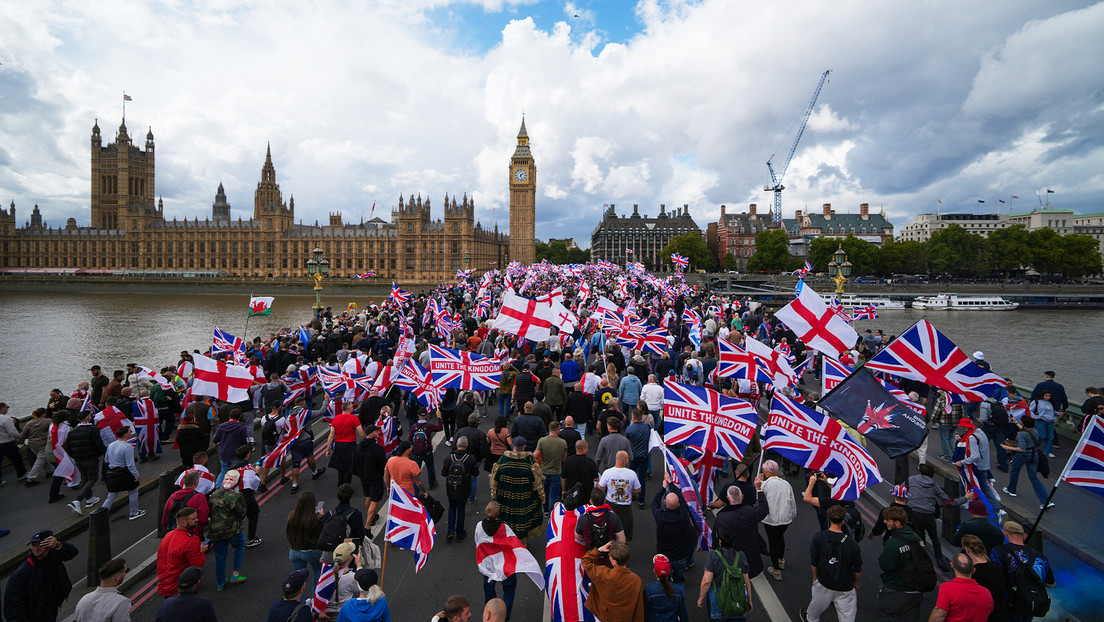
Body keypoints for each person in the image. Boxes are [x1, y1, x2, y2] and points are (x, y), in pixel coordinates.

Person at [799, 505, 861, 622]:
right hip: (846, 585)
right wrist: (856, 583)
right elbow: (857, 569)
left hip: (825, 581)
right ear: (843, 521)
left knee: (816, 607)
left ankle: (810, 619)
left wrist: (815, 577)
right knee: (847, 615)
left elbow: (814, 561)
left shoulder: (819, 537)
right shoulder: (852, 544)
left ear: (829, 518)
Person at [4, 530, 78, 622]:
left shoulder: (53, 556)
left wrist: (58, 545)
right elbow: (13, 609)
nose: (36, 548)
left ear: (49, 545)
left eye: (40, 544)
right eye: (33, 545)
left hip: (50, 609)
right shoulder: (21, 574)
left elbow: (73, 552)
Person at [990, 522, 1054, 622]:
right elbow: (1050, 583)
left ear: (1004, 533)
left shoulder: (998, 551)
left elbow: (995, 579)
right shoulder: (1040, 557)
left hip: (1010, 605)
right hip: (1031, 603)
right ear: (1024, 536)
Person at [712, 475, 768, 579]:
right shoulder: (751, 512)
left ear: (728, 499)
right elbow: (764, 508)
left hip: (731, 559)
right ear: (742, 496)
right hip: (751, 557)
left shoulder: (721, 518)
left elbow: (715, 539)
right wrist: (759, 489)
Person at [490, 436, 545, 541]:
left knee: (506, 520)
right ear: (524, 446)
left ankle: (507, 540)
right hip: (524, 498)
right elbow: (537, 484)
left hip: (505, 498)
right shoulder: (529, 461)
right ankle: (521, 543)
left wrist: (494, 496)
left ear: (513, 446)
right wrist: (542, 497)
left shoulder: (503, 460)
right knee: (522, 522)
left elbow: (494, 482)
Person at [875, 506, 925, 622]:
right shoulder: (917, 539)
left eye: (887, 520)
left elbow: (886, 566)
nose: (884, 522)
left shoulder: (893, 543)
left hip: (897, 589)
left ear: (897, 523)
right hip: (916, 591)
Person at [581, 541, 645, 622]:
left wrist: (598, 550)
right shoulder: (636, 580)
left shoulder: (603, 574)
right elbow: (639, 608)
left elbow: (586, 561)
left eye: (610, 556)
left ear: (614, 561)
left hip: (603, 617)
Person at [697, 527, 752, 621]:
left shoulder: (713, 556)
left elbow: (707, 581)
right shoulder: (741, 556)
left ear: (720, 542)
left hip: (718, 601)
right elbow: (746, 582)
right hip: (738, 602)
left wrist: (701, 598)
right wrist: (749, 600)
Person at [207, 471, 248, 591]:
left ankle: (220, 583)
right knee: (240, 545)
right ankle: (235, 574)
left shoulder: (214, 494)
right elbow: (242, 513)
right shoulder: (237, 495)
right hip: (232, 530)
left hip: (215, 531)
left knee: (220, 556)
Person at [1002, 415, 1052, 509]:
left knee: (1015, 471)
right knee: (1034, 478)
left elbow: (1021, 448)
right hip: (1034, 455)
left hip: (1022, 456)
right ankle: (1046, 500)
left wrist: (1007, 447)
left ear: (1024, 423)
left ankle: (1011, 489)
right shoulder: (1035, 431)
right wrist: (1016, 422)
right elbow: (1026, 431)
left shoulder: (1021, 434)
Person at [157, 508, 209, 597]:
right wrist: (201, 551)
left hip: (165, 584)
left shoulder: (168, 535)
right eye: (193, 519)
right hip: (181, 586)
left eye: (196, 517)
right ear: (183, 523)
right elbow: (197, 564)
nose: (197, 520)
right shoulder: (191, 540)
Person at [651, 475, 693, 585]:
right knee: (679, 580)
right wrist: (671, 483)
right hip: (680, 556)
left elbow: (654, 502)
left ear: (665, 503)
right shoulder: (683, 515)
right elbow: (682, 498)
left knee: (664, 582)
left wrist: (663, 488)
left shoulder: (660, 516)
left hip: (664, 557)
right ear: (678, 505)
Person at [928, 553, 994, 622]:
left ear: (952, 565)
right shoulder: (987, 593)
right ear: (973, 570)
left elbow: (938, 615)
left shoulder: (947, 588)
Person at [760, 460, 796, 581]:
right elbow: (792, 501)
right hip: (785, 518)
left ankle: (776, 570)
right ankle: (781, 560)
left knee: (773, 541)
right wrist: (793, 516)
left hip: (771, 519)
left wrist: (758, 485)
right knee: (780, 537)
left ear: (767, 472)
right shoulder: (786, 484)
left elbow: (759, 499)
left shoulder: (765, 485)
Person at [64, 409, 106, 515]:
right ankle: (77, 500)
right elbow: (99, 445)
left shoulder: (72, 432)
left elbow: (67, 447)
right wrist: (104, 454)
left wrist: (75, 456)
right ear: (89, 418)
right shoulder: (93, 429)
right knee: (93, 478)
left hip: (78, 459)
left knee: (85, 478)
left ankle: (89, 499)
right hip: (90, 458)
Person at [100, 426, 147, 520]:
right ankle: (133, 512)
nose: (131, 433)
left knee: (111, 496)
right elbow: (130, 464)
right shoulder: (128, 447)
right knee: (133, 491)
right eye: (130, 431)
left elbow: (106, 460)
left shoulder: (111, 445)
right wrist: (136, 474)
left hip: (112, 473)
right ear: (126, 434)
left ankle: (100, 516)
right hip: (124, 473)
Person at [286, 490, 325, 602]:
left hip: (295, 551)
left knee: (298, 579)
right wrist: (321, 517)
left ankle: (300, 604)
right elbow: (321, 532)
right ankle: (316, 601)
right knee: (318, 571)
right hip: (311, 551)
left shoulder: (291, 516)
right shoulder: (313, 519)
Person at [286, 395, 329, 493]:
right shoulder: (306, 413)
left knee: (296, 464)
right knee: (310, 457)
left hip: (295, 442)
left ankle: (294, 484)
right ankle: (314, 473)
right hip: (305, 440)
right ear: (302, 403)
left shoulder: (289, 416)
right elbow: (322, 411)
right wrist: (325, 400)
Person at [959, 534, 1007, 622]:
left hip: (986, 616)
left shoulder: (974, 572)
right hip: (1000, 613)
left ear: (967, 549)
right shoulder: (995, 566)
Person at [441, 436, 479, 542]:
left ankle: (450, 530)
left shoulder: (450, 457)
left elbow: (443, 473)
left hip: (451, 487)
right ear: (466, 446)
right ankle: (460, 533)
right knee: (461, 509)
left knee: (452, 507)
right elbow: (476, 473)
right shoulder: (470, 458)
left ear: (457, 445)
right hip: (463, 487)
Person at [598, 450, 641, 541]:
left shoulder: (607, 473)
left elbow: (600, 486)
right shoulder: (631, 474)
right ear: (624, 460)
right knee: (623, 534)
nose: (628, 460)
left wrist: (609, 489)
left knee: (609, 531)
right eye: (628, 458)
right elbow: (638, 489)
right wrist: (629, 490)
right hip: (625, 508)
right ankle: (621, 552)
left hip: (610, 506)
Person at [74, 557, 131, 622]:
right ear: (117, 577)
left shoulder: (83, 600)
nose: (126, 573)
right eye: (126, 571)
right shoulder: (121, 602)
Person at [354, 425, 388, 530]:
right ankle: (368, 524)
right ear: (371, 434)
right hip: (375, 477)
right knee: (375, 500)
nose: (378, 432)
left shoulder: (359, 446)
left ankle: (372, 516)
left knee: (368, 497)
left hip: (364, 477)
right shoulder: (377, 449)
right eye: (376, 431)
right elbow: (384, 465)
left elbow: (355, 462)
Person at [534, 420, 568, 513]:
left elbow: (536, 455)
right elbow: (564, 458)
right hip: (556, 472)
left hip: (544, 471)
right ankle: (553, 514)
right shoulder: (563, 442)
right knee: (554, 495)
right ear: (557, 430)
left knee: (544, 493)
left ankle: (545, 510)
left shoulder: (542, 441)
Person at [163, 471, 211, 538]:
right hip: (193, 534)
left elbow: (165, 518)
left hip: (173, 534)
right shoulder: (199, 497)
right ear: (196, 482)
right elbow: (203, 519)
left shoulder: (172, 496)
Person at [327, 401, 364, 487]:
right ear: (348, 408)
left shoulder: (336, 418)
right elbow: (361, 433)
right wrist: (362, 444)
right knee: (349, 466)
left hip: (339, 445)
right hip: (350, 445)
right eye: (352, 406)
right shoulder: (354, 418)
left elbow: (331, 435)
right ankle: (347, 486)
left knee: (341, 465)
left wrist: (328, 449)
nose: (353, 407)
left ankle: (340, 483)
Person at [643, 553, 689, 622]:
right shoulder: (677, 590)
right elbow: (683, 614)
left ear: (655, 571)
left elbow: (645, 612)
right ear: (669, 571)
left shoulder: (649, 589)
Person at [212, 408, 251, 488]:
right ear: (240, 416)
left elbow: (215, 440)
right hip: (236, 454)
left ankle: (218, 489)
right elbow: (245, 441)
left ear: (229, 416)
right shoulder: (241, 427)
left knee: (224, 471)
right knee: (236, 472)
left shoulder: (221, 427)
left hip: (223, 453)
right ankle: (235, 489)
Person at [624, 409, 653, 508]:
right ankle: (641, 500)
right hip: (644, 456)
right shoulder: (648, 427)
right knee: (642, 479)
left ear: (633, 417)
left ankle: (632, 494)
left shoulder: (629, 429)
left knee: (631, 477)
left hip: (633, 456)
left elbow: (625, 440)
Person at [18, 408, 52, 487]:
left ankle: (48, 471)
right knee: (40, 460)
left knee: (41, 458)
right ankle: (30, 478)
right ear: (43, 414)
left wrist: (19, 441)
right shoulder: (47, 421)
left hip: (32, 444)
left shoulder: (29, 423)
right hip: (43, 443)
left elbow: (23, 434)